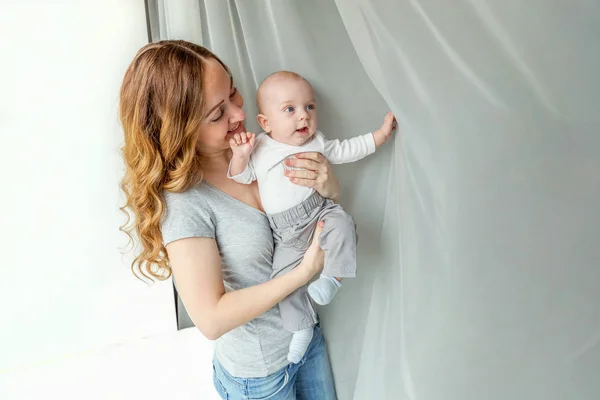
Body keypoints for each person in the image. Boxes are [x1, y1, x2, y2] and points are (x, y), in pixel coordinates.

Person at [119, 40, 340, 399]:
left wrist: (329, 190)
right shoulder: (185, 204)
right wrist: (303, 273)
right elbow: (211, 319)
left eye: (234, 94)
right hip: (260, 376)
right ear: (180, 129)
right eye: (218, 114)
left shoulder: (261, 149)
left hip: (306, 337)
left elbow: (303, 221)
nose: (239, 114)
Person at [228, 71, 395, 363]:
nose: (303, 117)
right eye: (289, 110)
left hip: (318, 211)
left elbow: (347, 149)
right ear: (266, 122)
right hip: (286, 233)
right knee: (284, 282)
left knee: (343, 224)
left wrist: (379, 136)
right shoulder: (261, 148)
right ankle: (302, 327)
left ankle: (333, 277)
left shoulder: (317, 141)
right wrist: (241, 154)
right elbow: (242, 177)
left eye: (309, 107)